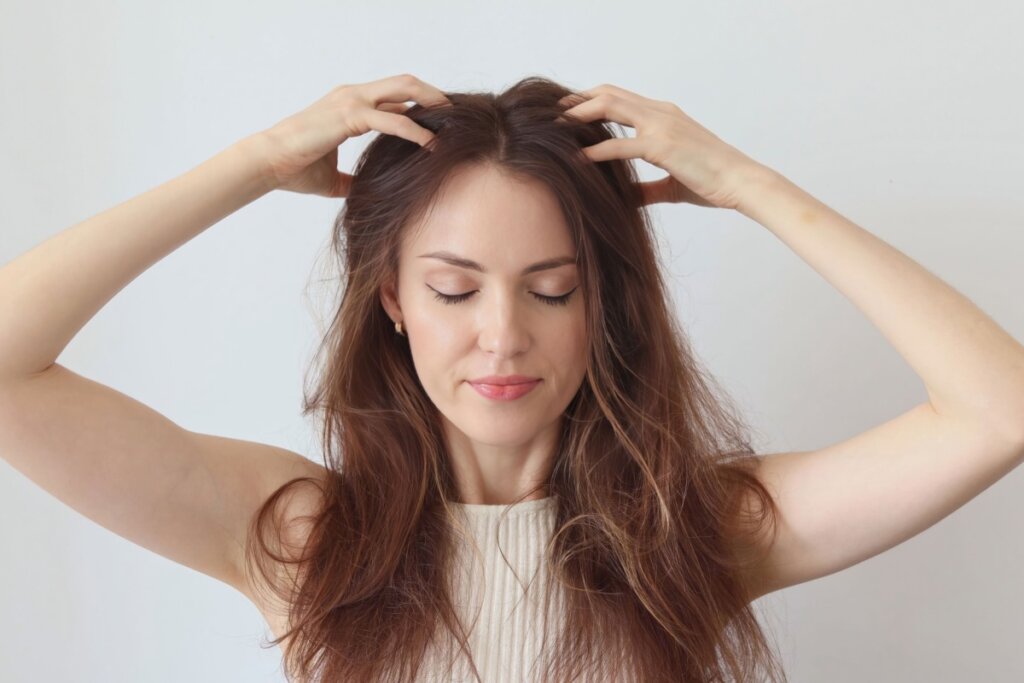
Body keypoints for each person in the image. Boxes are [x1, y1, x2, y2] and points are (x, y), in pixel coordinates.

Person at [2, 72, 1022, 683]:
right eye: (453, 289)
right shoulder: (300, 533)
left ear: (602, 304)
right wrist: (257, 160)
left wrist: (748, 186)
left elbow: (997, 409)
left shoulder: (688, 531)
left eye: (550, 288)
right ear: (392, 299)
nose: (501, 337)